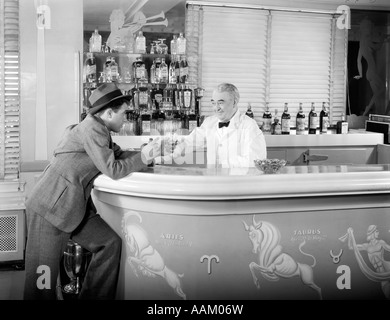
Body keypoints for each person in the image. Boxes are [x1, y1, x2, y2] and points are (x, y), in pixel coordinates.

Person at [23, 83, 161, 300]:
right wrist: (143, 158)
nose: (125, 119)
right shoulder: (92, 129)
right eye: (123, 113)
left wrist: (148, 153)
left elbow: (118, 155)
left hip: (73, 207)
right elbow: (113, 169)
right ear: (108, 113)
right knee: (43, 279)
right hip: (49, 208)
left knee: (109, 244)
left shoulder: (99, 129)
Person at [157, 83, 267, 168]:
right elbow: (189, 143)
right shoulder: (210, 122)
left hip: (239, 186)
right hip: (214, 185)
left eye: (220, 102)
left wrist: (223, 165)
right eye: (213, 103)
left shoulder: (249, 126)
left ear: (234, 102)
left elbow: (256, 162)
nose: (216, 108)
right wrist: (160, 158)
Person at [353, 18, 389, 116]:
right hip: (372, 71)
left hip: (368, 72)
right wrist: (382, 39)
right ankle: (367, 109)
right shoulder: (368, 39)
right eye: (369, 27)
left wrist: (360, 74)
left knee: (377, 96)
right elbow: (378, 47)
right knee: (381, 89)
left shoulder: (361, 42)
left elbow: (358, 60)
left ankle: (373, 113)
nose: (370, 29)